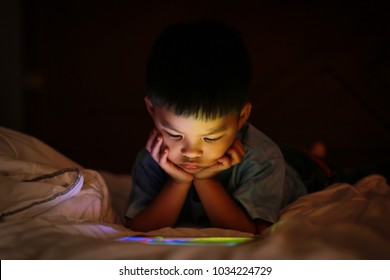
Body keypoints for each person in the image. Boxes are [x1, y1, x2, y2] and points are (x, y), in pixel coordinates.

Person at [124, 21, 308, 234]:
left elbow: (250, 232)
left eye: (210, 138)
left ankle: (314, 155)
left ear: (242, 118)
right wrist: (178, 183)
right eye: (174, 134)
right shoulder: (154, 159)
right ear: (151, 110)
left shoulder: (264, 160)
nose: (191, 152)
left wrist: (206, 180)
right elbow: (136, 229)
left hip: (296, 170)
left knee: (310, 166)